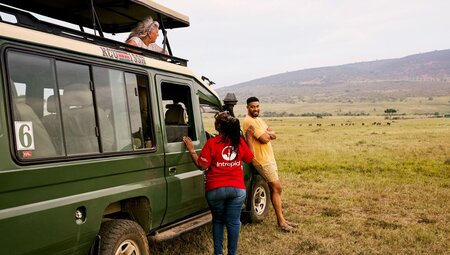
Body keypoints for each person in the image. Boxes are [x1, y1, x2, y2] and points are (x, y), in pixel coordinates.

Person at [183, 112, 254, 255]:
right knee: (234, 222)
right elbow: (249, 158)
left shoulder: (212, 143)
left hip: (215, 189)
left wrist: (191, 150)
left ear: (219, 127)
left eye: (216, 122)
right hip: (237, 189)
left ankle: (218, 253)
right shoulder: (238, 142)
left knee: (218, 221)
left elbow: (202, 166)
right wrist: (249, 140)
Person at [243, 97, 298, 232]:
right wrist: (268, 134)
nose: (255, 109)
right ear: (247, 108)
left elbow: (273, 134)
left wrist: (268, 133)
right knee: (277, 188)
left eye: (257, 106)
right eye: (252, 107)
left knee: (276, 189)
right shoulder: (249, 121)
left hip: (269, 158)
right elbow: (265, 138)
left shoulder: (259, 120)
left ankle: (282, 220)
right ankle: (281, 222)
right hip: (261, 160)